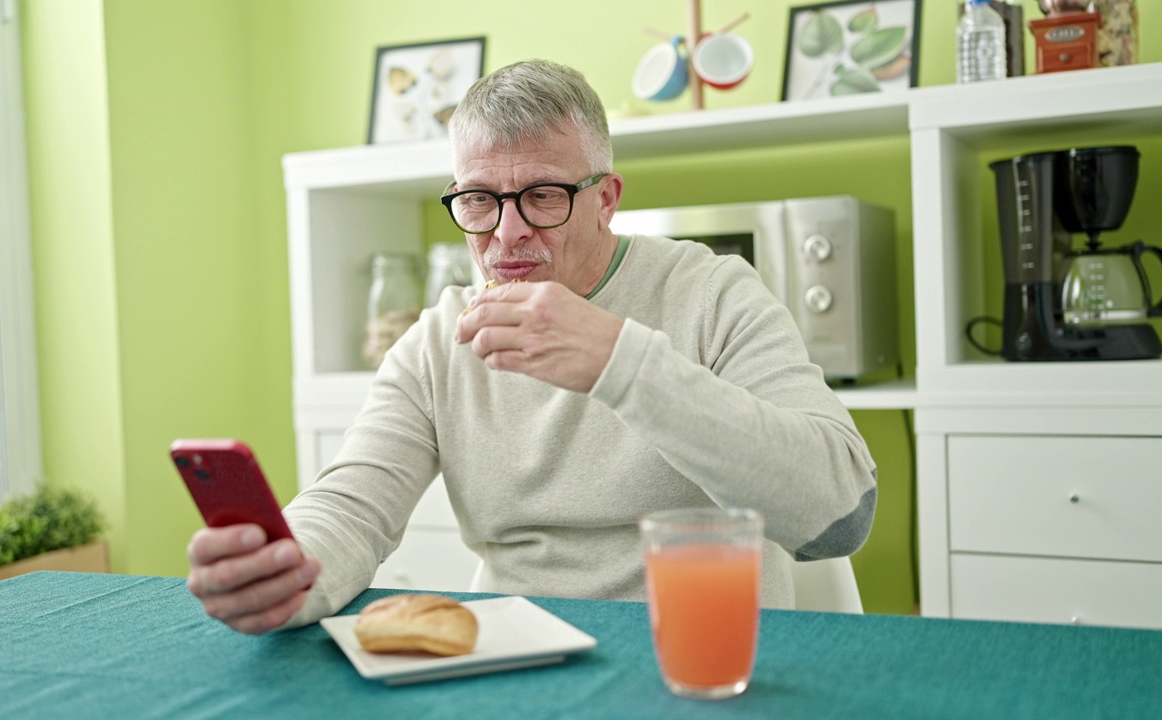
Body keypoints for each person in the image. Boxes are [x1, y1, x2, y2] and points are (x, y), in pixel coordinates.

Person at [186, 59, 878, 634]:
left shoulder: (713, 293)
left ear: (606, 199)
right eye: (480, 201)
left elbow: (841, 516)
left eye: (543, 196)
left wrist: (619, 361)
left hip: (702, 655)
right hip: (522, 662)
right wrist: (286, 572)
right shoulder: (440, 338)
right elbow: (351, 508)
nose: (507, 234)